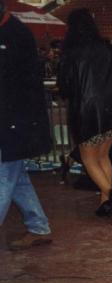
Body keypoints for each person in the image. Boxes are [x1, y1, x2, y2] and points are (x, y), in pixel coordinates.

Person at [57, 8, 112, 220]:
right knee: (103, 156)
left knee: (89, 159)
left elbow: (65, 87)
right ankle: (105, 202)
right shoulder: (106, 48)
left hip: (86, 113)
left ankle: (111, 195)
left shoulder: (70, 52)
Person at [0, 0, 53, 250]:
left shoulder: (15, 34)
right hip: (12, 121)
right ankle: (38, 227)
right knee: (16, 177)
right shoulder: (12, 32)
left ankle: (38, 227)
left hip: (14, 122)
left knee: (3, 178)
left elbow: (13, 85)